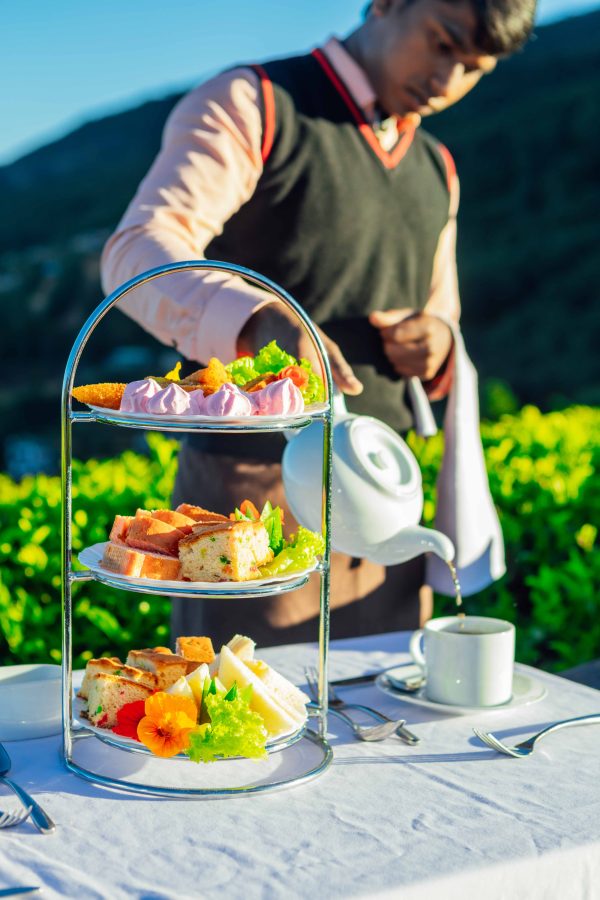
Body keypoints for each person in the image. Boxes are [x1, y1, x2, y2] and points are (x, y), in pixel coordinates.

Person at [101, 0, 537, 647]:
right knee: (248, 699)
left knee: (388, 697)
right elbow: (136, 250)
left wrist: (440, 343)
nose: (448, 81)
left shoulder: (437, 168)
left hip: (388, 497)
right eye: (443, 43)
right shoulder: (256, 103)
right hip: (252, 499)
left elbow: (441, 311)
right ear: (387, 4)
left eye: (474, 68)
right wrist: (256, 318)